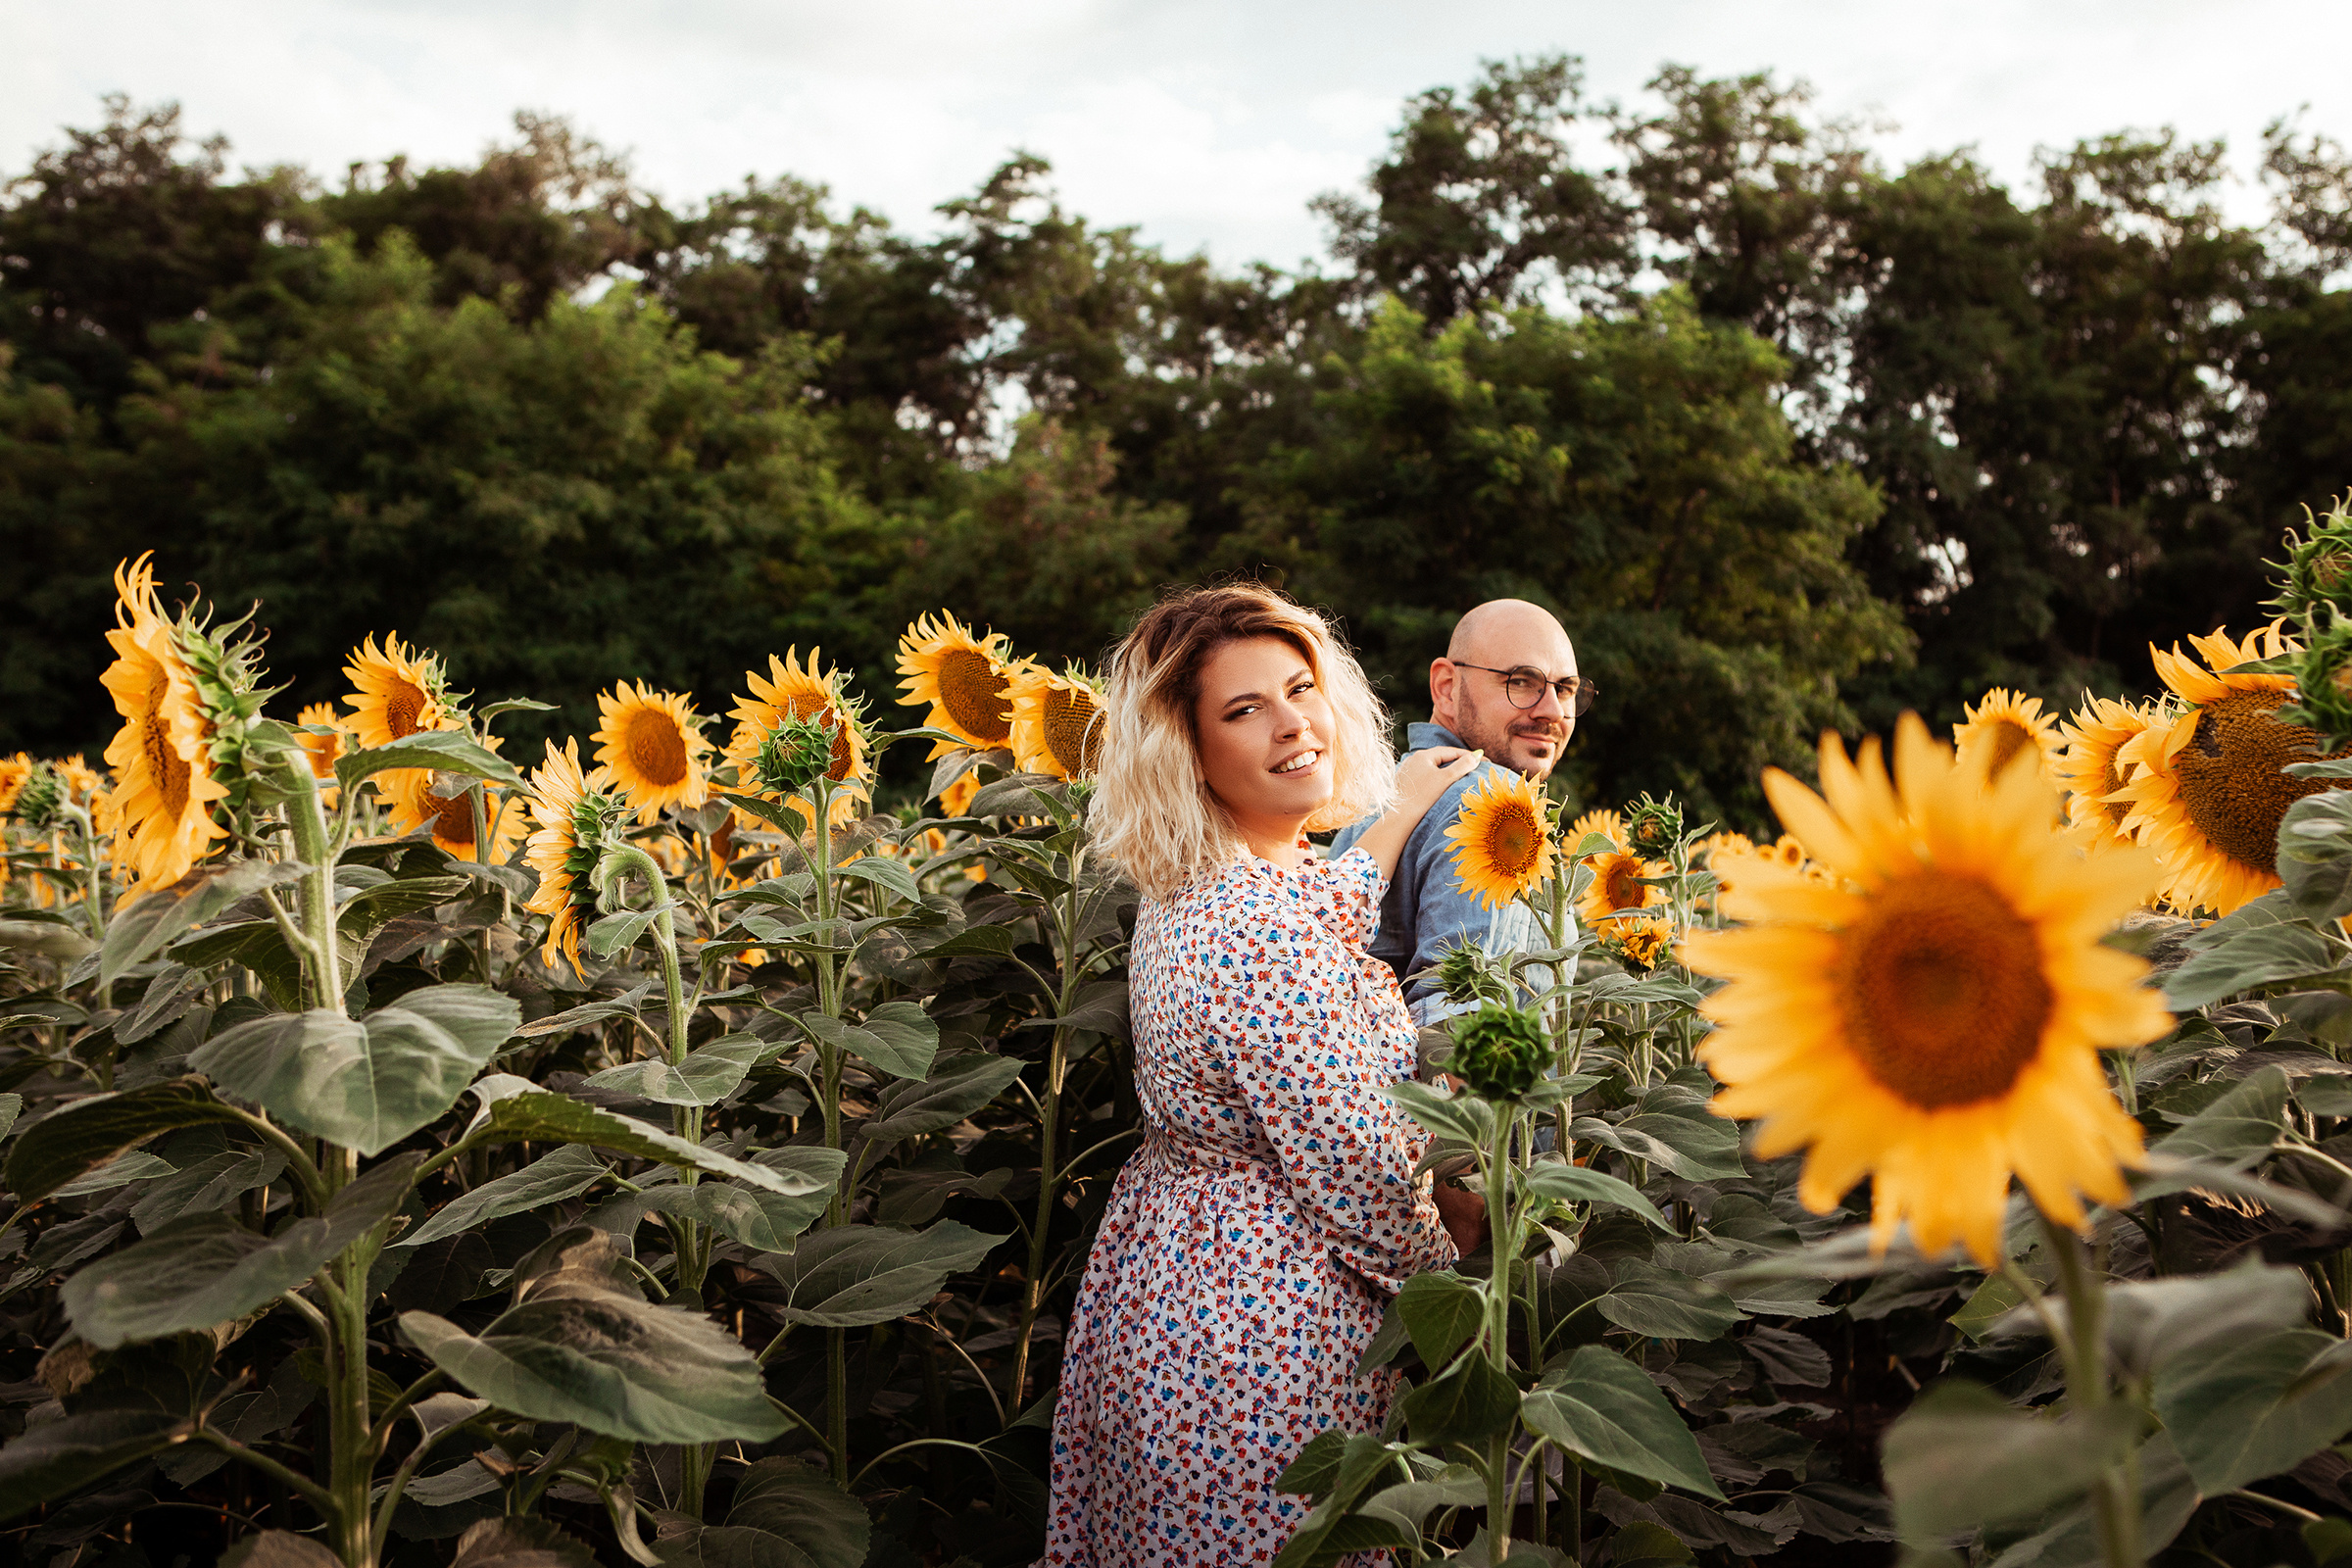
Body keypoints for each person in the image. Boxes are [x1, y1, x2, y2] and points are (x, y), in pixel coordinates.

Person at [1042, 584, 1486, 1568]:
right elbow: (1364, 1180)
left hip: (1178, 1294)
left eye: (1300, 689)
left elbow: (1321, 906)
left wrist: (1402, 807)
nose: (1292, 724)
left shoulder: (1213, 881)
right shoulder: (1258, 930)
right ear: (1189, 751)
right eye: (1245, 709)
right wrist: (1463, 1301)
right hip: (1263, 1340)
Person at [1332, 598, 1593, 1023]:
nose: (1552, 711)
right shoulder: (1493, 804)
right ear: (1446, 687)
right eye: (1521, 681)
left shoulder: (1381, 794)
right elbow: (1462, 1018)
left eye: (1564, 689)